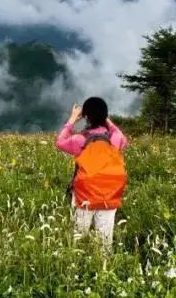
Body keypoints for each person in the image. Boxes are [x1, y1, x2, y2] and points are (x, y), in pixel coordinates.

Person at [55, 97, 128, 250]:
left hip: (84, 195)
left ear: (86, 117)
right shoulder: (114, 139)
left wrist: (73, 118)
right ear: (105, 116)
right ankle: (104, 269)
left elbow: (60, 142)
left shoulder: (80, 140)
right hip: (109, 195)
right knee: (104, 243)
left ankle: (74, 265)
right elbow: (123, 138)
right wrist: (107, 120)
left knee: (77, 238)